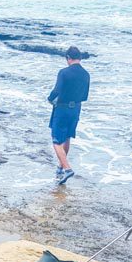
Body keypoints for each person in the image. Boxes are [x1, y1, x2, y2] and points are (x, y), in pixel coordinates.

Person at [47, 45, 90, 185]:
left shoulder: (64, 72)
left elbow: (57, 90)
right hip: (76, 109)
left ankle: (67, 168)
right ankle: (60, 167)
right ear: (80, 58)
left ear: (68, 58)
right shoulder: (86, 74)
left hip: (62, 109)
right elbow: (85, 96)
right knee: (67, 138)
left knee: (56, 140)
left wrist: (49, 99)